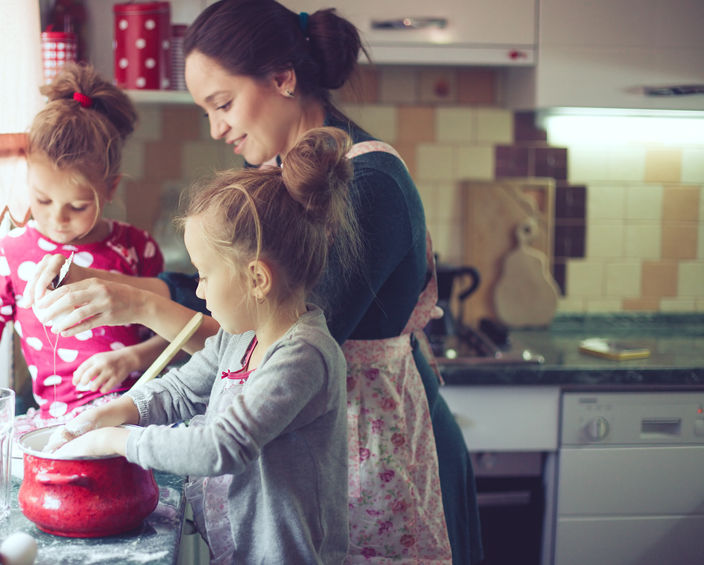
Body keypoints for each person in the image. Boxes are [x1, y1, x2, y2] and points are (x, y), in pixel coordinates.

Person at [24, 1, 482, 563]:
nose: (217, 128)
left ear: (283, 78)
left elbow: (256, 339)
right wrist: (105, 280)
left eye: (223, 103)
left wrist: (135, 305)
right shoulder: (278, 178)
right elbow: (216, 290)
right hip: (302, 460)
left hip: (371, 454)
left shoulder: (368, 186)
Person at [45, 127, 357, 564]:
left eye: (205, 275)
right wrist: (110, 411)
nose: (199, 291)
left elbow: (221, 447)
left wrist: (117, 440)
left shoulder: (303, 356)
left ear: (257, 278)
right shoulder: (239, 338)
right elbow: (178, 391)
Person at [0, 62, 166, 435]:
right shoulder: (7, 256)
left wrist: (131, 357)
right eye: (42, 199)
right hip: (59, 424)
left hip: (136, 419)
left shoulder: (137, 247)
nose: (58, 218)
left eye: (78, 206)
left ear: (110, 188)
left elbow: (173, 334)